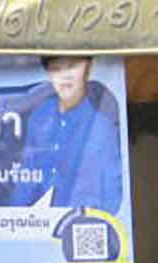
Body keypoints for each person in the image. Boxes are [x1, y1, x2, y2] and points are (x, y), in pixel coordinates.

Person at [11, 55, 124, 215]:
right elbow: (27, 176)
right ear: (48, 73)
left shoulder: (100, 126)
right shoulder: (41, 116)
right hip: (39, 224)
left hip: (81, 223)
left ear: (88, 67)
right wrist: (13, 219)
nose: (65, 76)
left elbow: (112, 195)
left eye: (72, 66)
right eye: (56, 68)